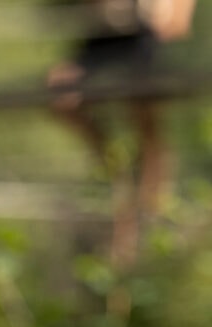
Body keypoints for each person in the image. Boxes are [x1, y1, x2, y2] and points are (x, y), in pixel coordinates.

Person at [47, 0, 196, 265]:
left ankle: (150, 207)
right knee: (61, 97)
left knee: (142, 108)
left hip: (146, 29)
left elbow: (175, 21)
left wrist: (178, 10)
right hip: (108, 31)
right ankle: (117, 169)